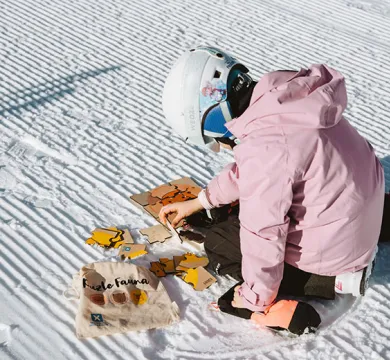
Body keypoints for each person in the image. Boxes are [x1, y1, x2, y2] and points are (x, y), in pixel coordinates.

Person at [159, 46, 386, 334]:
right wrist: (201, 201)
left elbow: (263, 234)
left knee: (220, 243)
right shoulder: (285, 100)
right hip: (361, 206)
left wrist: (253, 300)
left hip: (339, 249)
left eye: (213, 139)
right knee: (249, 204)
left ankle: (333, 281)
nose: (222, 145)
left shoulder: (266, 149)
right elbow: (257, 172)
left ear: (214, 116)